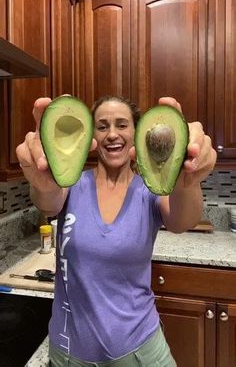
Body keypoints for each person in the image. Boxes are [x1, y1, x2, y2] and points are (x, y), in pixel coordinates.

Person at [16, 95, 216, 367]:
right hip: (68, 353)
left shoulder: (151, 189)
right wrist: (42, 181)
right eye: (102, 126)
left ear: (137, 133)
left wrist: (187, 180)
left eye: (122, 125)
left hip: (139, 352)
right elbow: (48, 199)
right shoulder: (70, 183)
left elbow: (182, 220)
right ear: (91, 136)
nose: (112, 134)